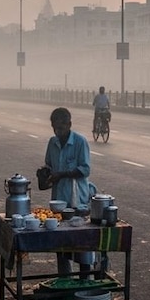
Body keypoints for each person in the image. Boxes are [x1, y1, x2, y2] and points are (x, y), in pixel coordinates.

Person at [43, 107, 98, 277]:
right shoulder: (52, 143)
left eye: (61, 128)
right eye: (54, 128)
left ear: (69, 125)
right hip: (59, 200)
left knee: (82, 244)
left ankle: (84, 281)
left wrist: (63, 174)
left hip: (77, 200)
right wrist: (45, 173)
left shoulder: (80, 142)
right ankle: (64, 281)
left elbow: (85, 170)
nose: (57, 131)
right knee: (61, 245)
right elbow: (49, 165)